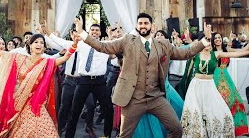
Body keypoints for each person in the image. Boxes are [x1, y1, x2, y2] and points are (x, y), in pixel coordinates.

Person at [74, 13, 211, 137]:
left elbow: (184, 54)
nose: (143, 26)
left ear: (151, 26)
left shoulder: (163, 44)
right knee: (124, 136)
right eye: (140, 23)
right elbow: (102, 47)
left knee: (176, 129)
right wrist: (82, 33)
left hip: (156, 98)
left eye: (146, 23)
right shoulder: (127, 40)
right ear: (137, 26)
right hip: (133, 99)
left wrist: (204, 41)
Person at [0, 20, 78, 137]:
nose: (39, 44)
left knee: (49, 131)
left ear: (44, 47)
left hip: (36, 104)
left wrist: (75, 44)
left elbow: (65, 57)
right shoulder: (19, 58)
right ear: (30, 45)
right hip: (17, 103)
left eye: (41, 43)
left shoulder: (46, 62)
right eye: (36, 42)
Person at [181, 32, 249, 137]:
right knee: (195, 114)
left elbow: (236, 53)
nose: (208, 44)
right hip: (196, 88)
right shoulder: (195, 54)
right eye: (206, 41)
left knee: (222, 111)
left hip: (210, 86)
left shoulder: (216, 54)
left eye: (209, 41)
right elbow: (181, 52)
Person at [133, 30, 184, 138]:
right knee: (151, 115)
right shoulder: (148, 48)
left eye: (162, 35)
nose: (159, 36)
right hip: (150, 87)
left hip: (166, 86)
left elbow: (184, 51)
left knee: (179, 107)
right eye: (157, 35)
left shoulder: (168, 49)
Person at [211, 32, 249, 136]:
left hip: (226, 77)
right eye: (215, 38)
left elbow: (243, 50)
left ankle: (239, 129)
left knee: (236, 100)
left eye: (219, 37)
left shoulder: (226, 50)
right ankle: (222, 130)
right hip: (216, 78)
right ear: (213, 40)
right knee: (222, 102)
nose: (218, 39)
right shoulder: (211, 51)